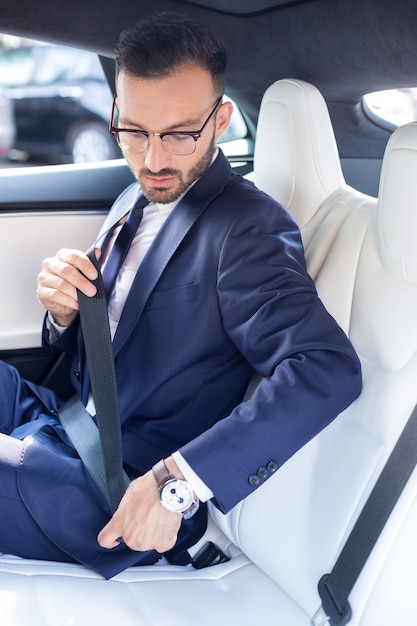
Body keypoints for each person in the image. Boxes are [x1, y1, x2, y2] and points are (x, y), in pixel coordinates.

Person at [0, 12, 362, 579]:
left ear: (220, 122)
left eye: (179, 133)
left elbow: (326, 369)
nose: (153, 158)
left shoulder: (249, 229)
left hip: (121, 486)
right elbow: (114, 342)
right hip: (69, 423)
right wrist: (64, 315)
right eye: (136, 131)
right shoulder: (132, 197)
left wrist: (175, 483)